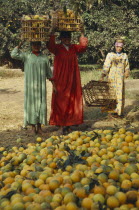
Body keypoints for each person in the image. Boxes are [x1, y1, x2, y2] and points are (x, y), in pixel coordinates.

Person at [47, 29, 88, 134]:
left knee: (71, 100)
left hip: (73, 79)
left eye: (68, 37)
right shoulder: (57, 48)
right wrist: (52, 31)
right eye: (64, 38)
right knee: (60, 100)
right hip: (60, 79)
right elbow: (50, 45)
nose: (67, 39)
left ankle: (69, 124)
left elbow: (83, 47)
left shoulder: (74, 48)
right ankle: (61, 124)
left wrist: (82, 33)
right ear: (60, 39)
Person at [11, 41, 56, 135]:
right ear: (31, 45)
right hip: (30, 86)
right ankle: (32, 127)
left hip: (41, 87)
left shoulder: (44, 58)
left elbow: (49, 73)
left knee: (41, 105)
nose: (36, 46)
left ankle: (39, 127)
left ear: (41, 46)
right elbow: (14, 54)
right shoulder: (26, 56)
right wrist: (21, 43)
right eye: (34, 45)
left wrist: (54, 85)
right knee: (31, 105)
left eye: (38, 45)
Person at [100, 39, 130, 118]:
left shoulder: (124, 56)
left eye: (120, 47)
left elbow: (126, 66)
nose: (119, 48)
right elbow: (106, 66)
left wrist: (127, 72)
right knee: (111, 94)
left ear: (122, 47)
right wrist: (102, 75)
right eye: (117, 46)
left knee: (119, 94)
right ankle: (111, 112)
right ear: (115, 46)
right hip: (111, 78)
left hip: (120, 78)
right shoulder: (110, 55)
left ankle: (119, 112)